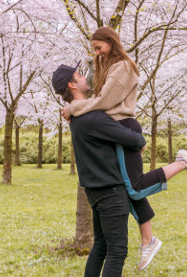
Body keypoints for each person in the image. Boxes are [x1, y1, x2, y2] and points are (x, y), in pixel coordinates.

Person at [62, 26, 187, 270]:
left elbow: (105, 101)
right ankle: (147, 239)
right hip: (116, 129)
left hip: (123, 128)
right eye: (94, 50)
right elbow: (99, 96)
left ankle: (182, 162)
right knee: (131, 188)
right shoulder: (108, 65)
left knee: (135, 185)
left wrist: (73, 108)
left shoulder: (123, 67)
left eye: (99, 47)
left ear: (111, 41)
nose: (97, 53)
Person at [52, 62, 143, 276]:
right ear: (72, 85)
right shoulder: (93, 118)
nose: (85, 78)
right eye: (79, 75)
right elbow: (135, 141)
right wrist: (139, 137)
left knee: (101, 246)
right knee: (117, 251)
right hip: (110, 191)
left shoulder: (78, 116)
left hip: (95, 191)